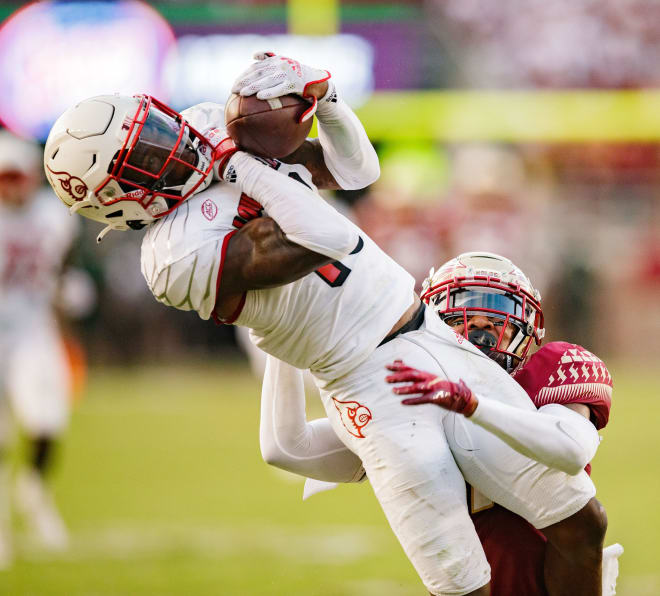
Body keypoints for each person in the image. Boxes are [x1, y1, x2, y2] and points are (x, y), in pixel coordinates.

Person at [44, 53, 604, 595]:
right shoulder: (173, 258)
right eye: (144, 155)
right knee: (464, 581)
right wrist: (238, 162)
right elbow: (327, 239)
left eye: (156, 128)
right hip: (372, 389)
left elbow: (356, 169)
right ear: (122, 203)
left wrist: (327, 97)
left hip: (430, 331)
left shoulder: (208, 129)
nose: (168, 144)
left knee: (582, 523)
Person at [260, 251, 621, 595]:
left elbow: (571, 449)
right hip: (464, 585)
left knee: (587, 523)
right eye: (461, 322)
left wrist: (472, 405)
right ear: (432, 328)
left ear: (525, 331)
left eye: (497, 324)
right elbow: (288, 447)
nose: (480, 335)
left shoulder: (551, 369)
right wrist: (285, 338)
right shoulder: (407, 397)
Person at [0, 130, 78, 566]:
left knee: (48, 420)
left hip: (33, 328)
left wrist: (66, 289)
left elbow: (60, 265)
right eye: (4, 178)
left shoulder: (53, 215)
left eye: (17, 176)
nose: (12, 186)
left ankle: (32, 489)